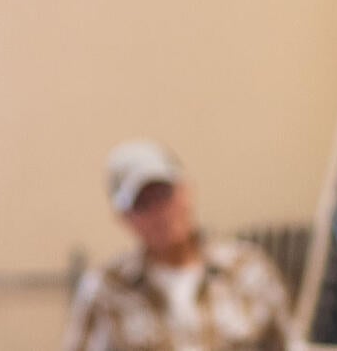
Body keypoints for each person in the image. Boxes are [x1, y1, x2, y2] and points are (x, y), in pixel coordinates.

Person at [62, 139, 301, 351]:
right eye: (143, 203)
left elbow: (289, 344)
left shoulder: (247, 269)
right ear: (124, 218)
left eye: (165, 194)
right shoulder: (105, 290)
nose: (160, 213)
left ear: (187, 191)